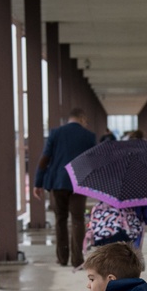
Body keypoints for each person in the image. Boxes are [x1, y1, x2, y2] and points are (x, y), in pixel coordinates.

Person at [34, 108, 98, 268]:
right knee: (77, 219)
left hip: (58, 182)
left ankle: (62, 257)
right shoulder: (89, 136)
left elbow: (45, 158)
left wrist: (38, 182)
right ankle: (77, 260)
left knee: (60, 219)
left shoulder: (55, 133)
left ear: (69, 119)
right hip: (79, 183)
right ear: (82, 119)